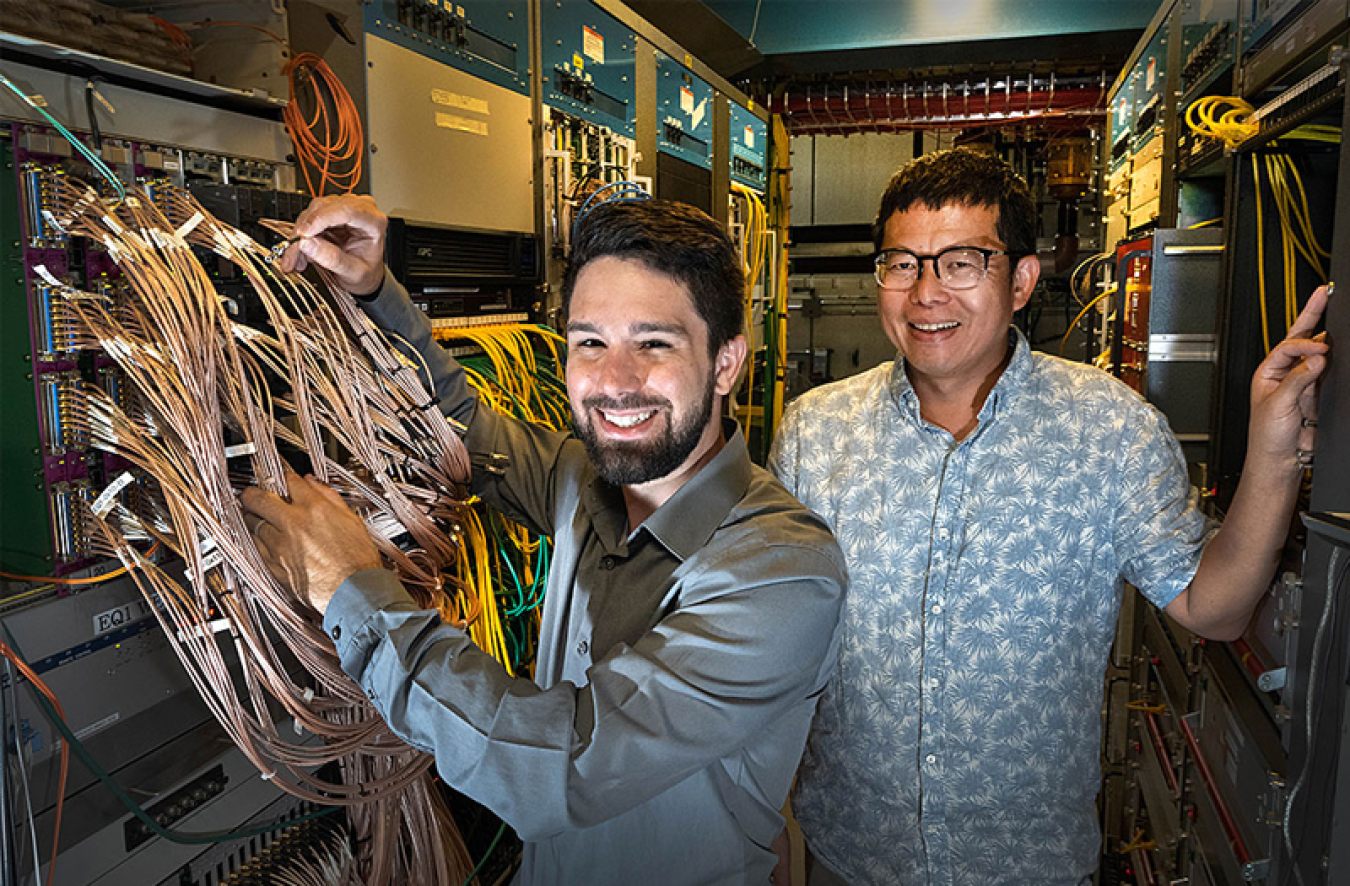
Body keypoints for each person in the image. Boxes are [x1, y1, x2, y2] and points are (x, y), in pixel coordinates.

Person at [240, 195, 847, 885]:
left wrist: (351, 588)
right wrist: (376, 289)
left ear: (727, 364)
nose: (614, 383)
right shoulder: (579, 482)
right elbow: (456, 423)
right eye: (590, 342)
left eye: (654, 343)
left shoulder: (783, 571)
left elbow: (558, 769)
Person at [767, 147, 1330, 885]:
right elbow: (775, 649)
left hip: (1027, 863)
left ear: (1022, 279)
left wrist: (1274, 451)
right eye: (902, 263)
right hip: (850, 851)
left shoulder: (1109, 430)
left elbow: (1213, 606)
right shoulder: (815, 431)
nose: (926, 293)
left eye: (961, 263)